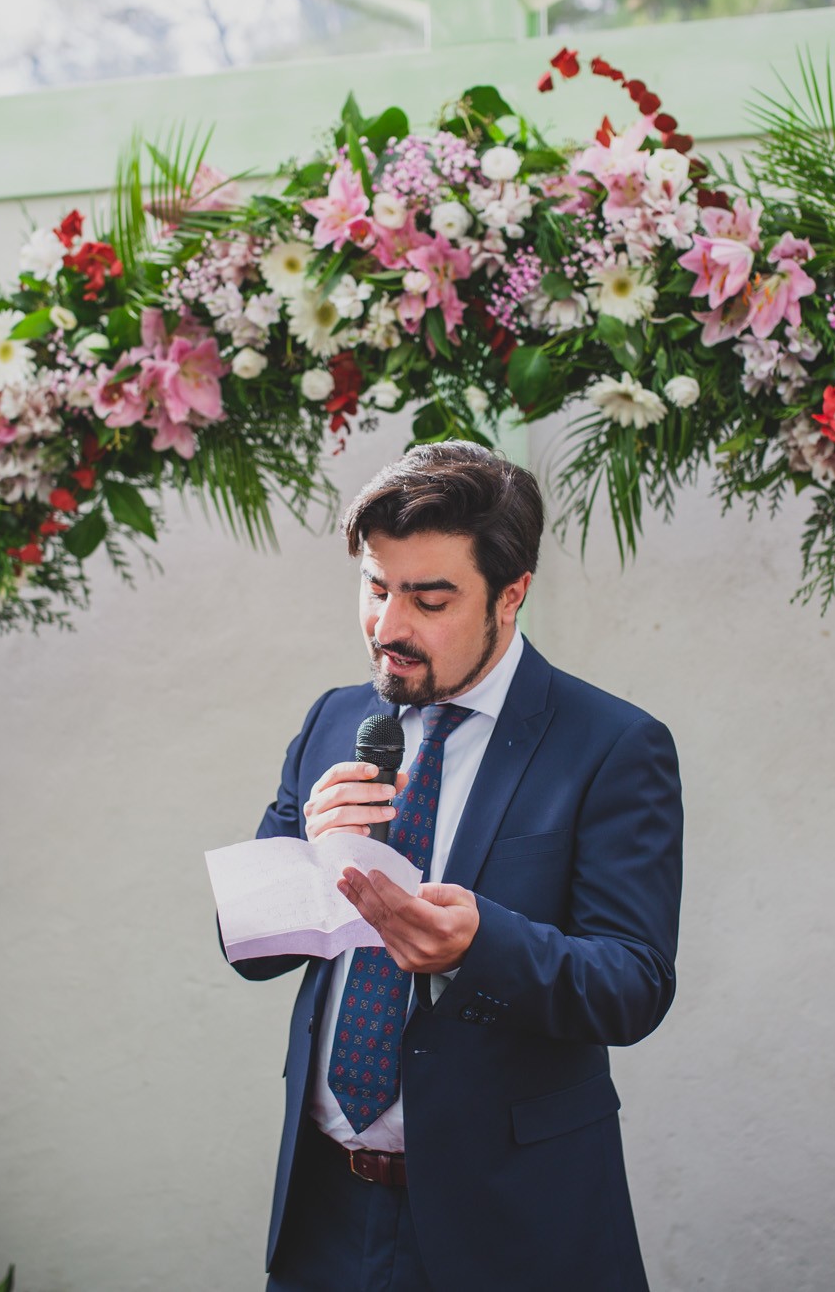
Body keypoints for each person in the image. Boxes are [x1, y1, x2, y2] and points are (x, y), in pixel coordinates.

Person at [224, 440, 684, 1292]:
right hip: (324, 1209)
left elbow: (635, 982)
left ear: (511, 596)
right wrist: (303, 862)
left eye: (429, 599)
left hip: (515, 1227)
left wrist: (482, 945)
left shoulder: (615, 746)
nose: (389, 627)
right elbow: (251, 949)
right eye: (375, 586)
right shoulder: (334, 717)